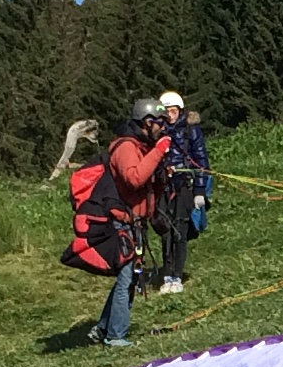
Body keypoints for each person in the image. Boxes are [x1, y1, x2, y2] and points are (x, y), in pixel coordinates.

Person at [89, 100, 168, 346]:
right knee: (126, 279)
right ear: (146, 122)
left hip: (135, 223)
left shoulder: (141, 147)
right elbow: (134, 178)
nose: (162, 128)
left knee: (131, 277)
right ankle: (115, 336)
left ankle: (103, 328)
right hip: (120, 223)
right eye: (159, 122)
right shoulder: (125, 148)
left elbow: (147, 183)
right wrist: (159, 151)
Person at [154, 90, 209, 293]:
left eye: (174, 111)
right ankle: (166, 274)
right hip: (162, 187)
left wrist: (200, 190)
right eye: (166, 111)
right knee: (164, 230)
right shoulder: (157, 133)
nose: (170, 115)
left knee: (180, 230)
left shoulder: (191, 132)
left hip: (184, 186)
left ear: (180, 111)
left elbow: (202, 162)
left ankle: (177, 275)